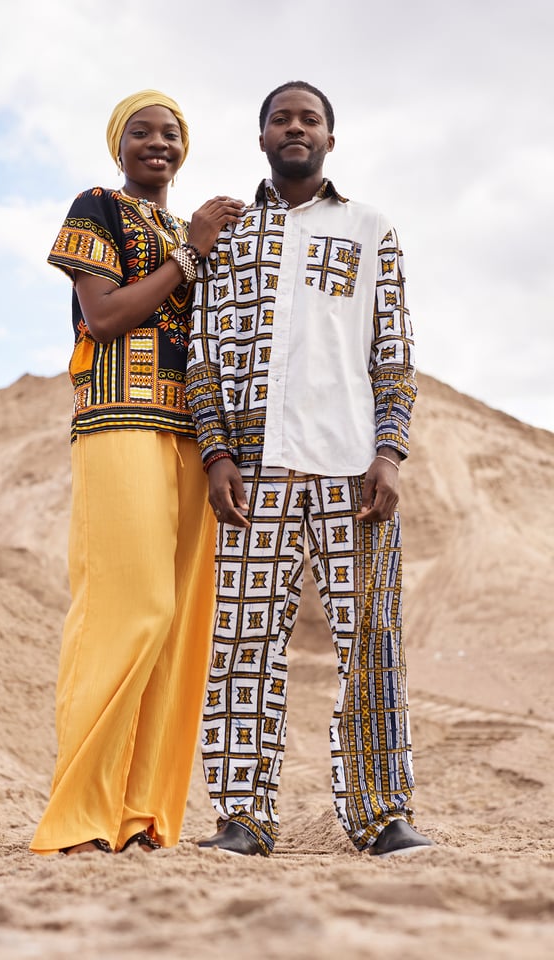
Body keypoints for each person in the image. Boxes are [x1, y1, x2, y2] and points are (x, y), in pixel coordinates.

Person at [186, 80, 434, 859]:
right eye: (280, 119)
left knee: (372, 640)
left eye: (310, 119)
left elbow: (392, 351)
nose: (296, 128)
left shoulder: (370, 229)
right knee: (241, 642)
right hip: (251, 472)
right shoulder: (226, 232)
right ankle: (243, 819)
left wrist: (389, 453)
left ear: (331, 137)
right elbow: (202, 354)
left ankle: (380, 815)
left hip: (351, 471)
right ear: (261, 138)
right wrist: (217, 450)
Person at [30, 90, 243, 856]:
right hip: (119, 421)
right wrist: (192, 253)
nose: (159, 144)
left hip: (191, 435)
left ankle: (140, 815)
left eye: (172, 133)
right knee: (131, 607)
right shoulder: (99, 208)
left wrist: (222, 450)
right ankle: (79, 814)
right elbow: (106, 317)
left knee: (180, 626)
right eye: (143, 133)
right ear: (120, 146)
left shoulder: (193, 231)